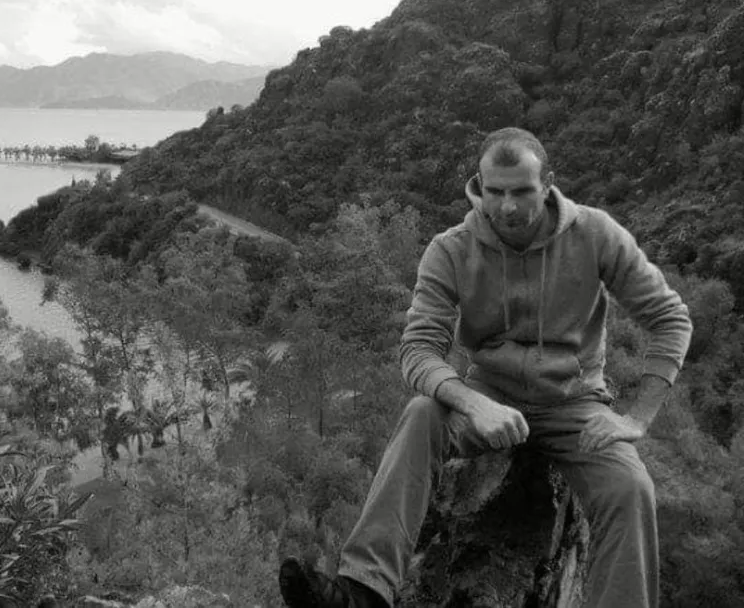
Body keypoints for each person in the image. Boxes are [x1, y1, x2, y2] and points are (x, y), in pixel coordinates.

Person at [280, 127, 693, 608]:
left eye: (522, 191)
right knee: (422, 414)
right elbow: (418, 350)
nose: (508, 207)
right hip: (488, 392)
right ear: (479, 185)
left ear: (548, 184)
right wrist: (472, 403)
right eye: (495, 192)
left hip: (574, 403)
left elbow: (670, 319)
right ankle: (364, 589)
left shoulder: (595, 234)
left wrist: (637, 418)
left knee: (631, 488)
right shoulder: (452, 249)